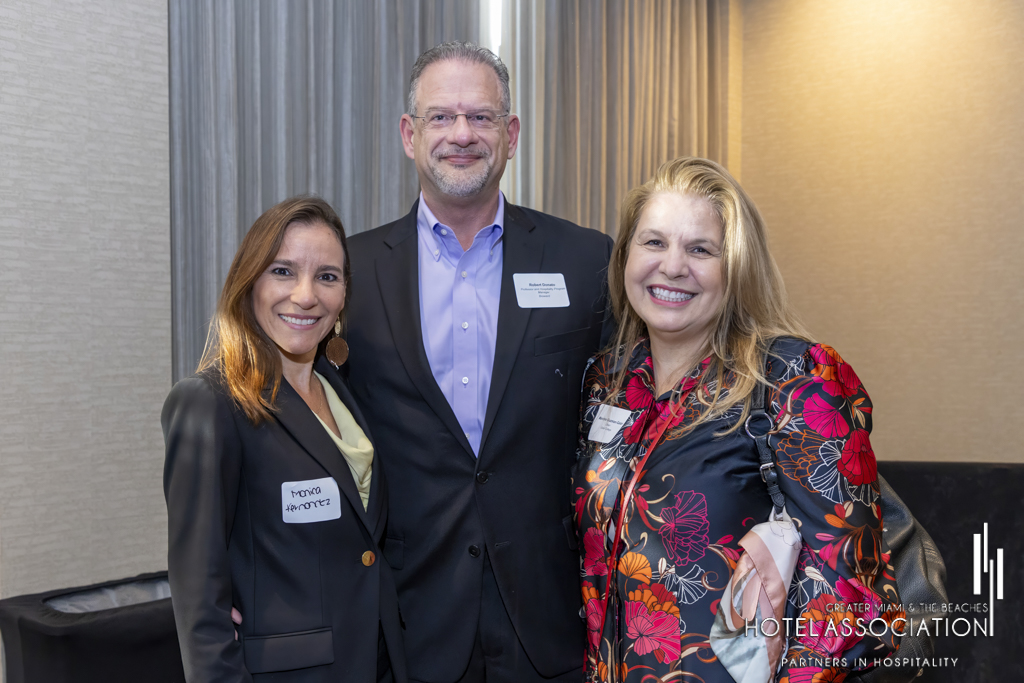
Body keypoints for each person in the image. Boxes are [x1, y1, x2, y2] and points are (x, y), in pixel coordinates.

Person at [572, 157, 903, 682]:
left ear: (738, 267)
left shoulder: (793, 378)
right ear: (626, 257)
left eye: (700, 249)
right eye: (654, 242)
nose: (672, 266)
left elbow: (848, 599)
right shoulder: (608, 381)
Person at [343, 42, 613, 683]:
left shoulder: (585, 260)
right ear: (410, 135)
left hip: (550, 612)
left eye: (481, 117)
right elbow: (305, 425)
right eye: (440, 117)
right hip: (410, 615)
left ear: (510, 135)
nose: (461, 134)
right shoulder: (350, 273)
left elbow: (637, 408)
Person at [162, 196, 406, 683]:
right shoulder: (211, 402)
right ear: (249, 282)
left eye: (327, 276)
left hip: (374, 662)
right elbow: (199, 603)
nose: (305, 295)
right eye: (283, 271)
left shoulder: (339, 388)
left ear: (343, 295)